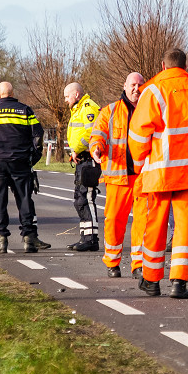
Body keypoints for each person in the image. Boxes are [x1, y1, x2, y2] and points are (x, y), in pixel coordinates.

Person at [128, 49, 188, 299]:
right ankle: (179, 284)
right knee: (184, 228)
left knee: (156, 226)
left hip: (160, 173)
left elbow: (138, 133)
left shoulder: (153, 90)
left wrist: (140, 163)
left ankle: (151, 281)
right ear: (185, 65)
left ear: (163, 66)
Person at [0, 82, 50, 254]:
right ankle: (28, 238)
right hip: (20, 161)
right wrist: (33, 157)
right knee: (24, 199)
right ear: (12, 93)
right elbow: (38, 133)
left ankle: (2, 239)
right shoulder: (25, 110)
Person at [89, 72, 147, 278]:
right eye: (133, 84)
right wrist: (96, 147)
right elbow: (98, 133)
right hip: (118, 177)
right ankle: (112, 262)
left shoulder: (150, 111)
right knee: (114, 220)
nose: (136, 88)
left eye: (140, 85)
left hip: (143, 177)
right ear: (125, 86)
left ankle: (139, 264)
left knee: (143, 222)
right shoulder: (110, 111)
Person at [64, 82, 102, 251]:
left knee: (87, 198)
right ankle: (85, 237)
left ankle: (92, 239)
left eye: (67, 96)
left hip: (89, 159)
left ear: (76, 94)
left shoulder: (88, 108)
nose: (65, 100)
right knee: (80, 199)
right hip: (82, 159)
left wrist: (76, 150)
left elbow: (90, 133)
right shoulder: (78, 109)